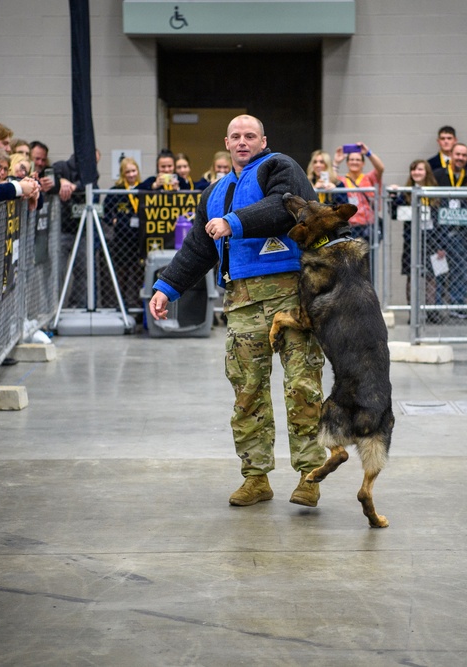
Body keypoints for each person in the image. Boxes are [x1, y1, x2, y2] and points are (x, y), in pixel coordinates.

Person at [148, 114, 325, 508]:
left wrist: (234, 222)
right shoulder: (214, 192)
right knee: (247, 393)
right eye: (236, 136)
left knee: (302, 387)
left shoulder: (280, 167)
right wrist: (166, 287)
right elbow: (198, 247)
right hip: (242, 303)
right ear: (226, 143)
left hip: (291, 299)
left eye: (250, 135)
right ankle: (256, 477)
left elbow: (284, 208)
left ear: (263, 140)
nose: (243, 141)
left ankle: (310, 476)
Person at [391, 159, 445, 321]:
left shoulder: (435, 193)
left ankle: (431, 313)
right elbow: (394, 213)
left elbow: (441, 222)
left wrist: (441, 245)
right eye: (413, 170)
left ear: (427, 172)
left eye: (420, 170)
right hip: (411, 242)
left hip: (432, 242)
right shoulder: (406, 192)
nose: (416, 173)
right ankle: (412, 313)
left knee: (431, 278)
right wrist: (393, 196)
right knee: (411, 277)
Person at [432, 142, 467, 318]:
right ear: (451, 155)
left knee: (460, 271)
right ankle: (437, 308)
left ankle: (457, 306)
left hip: (461, 233)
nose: (461, 158)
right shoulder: (438, 175)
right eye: (458, 154)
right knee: (439, 271)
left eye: (464, 155)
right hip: (439, 231)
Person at [103, 156, 143, 309]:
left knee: (140, 276)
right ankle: (121, 305)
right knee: (122, 275)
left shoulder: (143, 188)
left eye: (133, 171)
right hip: (121, 240)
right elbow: (106, 212)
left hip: (140, 240)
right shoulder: (116, 191)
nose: (131, 174)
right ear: (122, 174)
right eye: (128, 172)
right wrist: (112, 220)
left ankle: (140, 308)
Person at [333, 141, 384, 240]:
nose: (354, 162)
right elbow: (332, 179)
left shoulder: (369, 178)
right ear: (347, 163)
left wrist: (368, 153)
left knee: (368, 255)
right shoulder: (341, 180)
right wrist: (336, 162)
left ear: (363, 163)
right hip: (348, 226)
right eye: (351, 159)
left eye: (358, 159)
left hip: (367, 226)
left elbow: (380, 168)